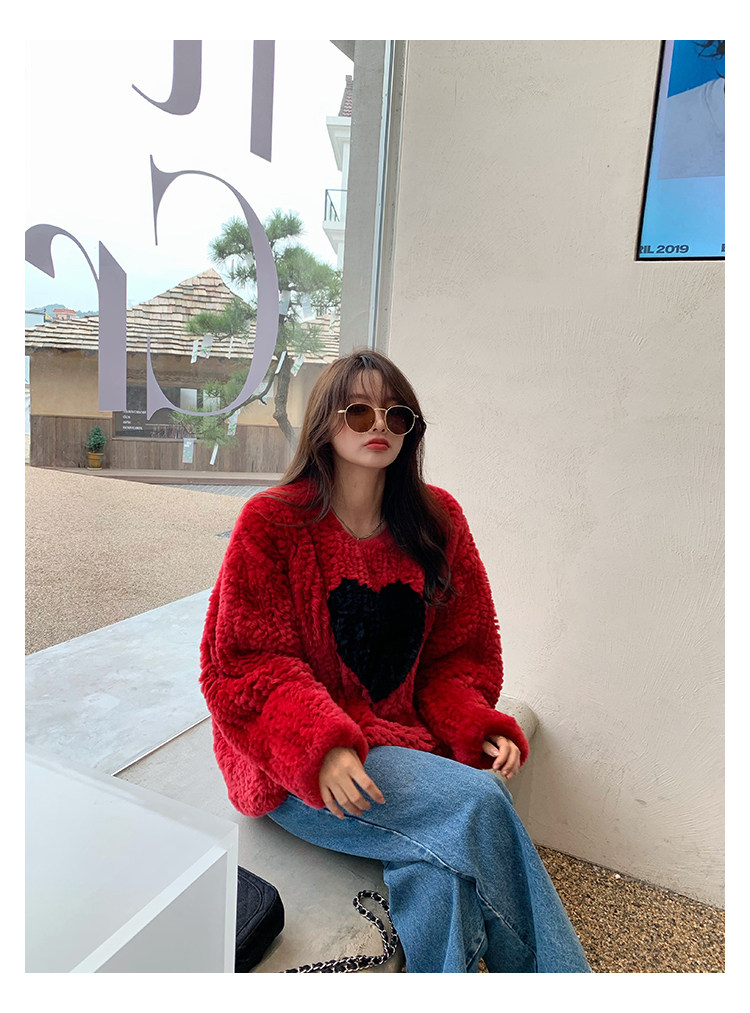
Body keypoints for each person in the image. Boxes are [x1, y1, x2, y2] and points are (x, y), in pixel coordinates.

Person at [200, 349, 591, 973]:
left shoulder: (437, 521)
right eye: (359, 412)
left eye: (396, 414)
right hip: (295, 766)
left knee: (440, 872)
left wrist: (472, 721)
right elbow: (246, 664)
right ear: (326, 423)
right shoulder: (271, 524)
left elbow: (457, 654)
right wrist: (321, 746)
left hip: (399, 743)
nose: (379, 424)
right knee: (479, 804)